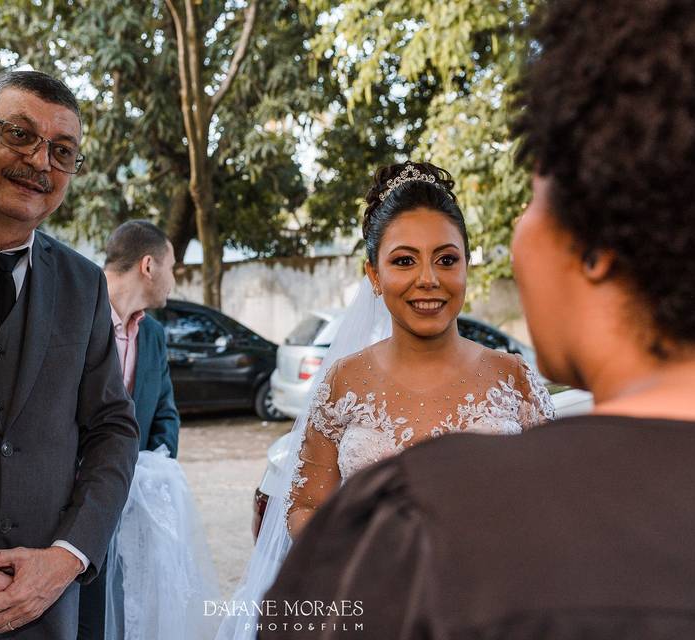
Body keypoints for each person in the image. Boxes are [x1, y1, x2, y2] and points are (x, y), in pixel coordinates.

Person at [261, 0, 695, 637]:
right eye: (405, 261)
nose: (429, 279)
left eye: (532, 197)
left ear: (594, 246)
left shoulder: (410, 526)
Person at [217, 161, 554, 639]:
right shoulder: (343, 383)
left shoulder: (514, 377)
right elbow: (305, 507)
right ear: (373, 274)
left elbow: (551, 508)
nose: (428, 280)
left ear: (466, 265)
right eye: (403, 261)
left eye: (445, 259)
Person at [0, 70, 139, 639]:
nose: (41, 162)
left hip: (45, 613)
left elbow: (113, 428)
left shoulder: (83, 283)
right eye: (20, 135)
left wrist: (68, 556)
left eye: (63, 151)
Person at [77, 219, 181, 639]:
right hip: (69, 510)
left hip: (133, 510)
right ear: (149, 266)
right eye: (173, 267)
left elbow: (166, 415)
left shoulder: (153, 334)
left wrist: (153, 470)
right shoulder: (76, 309)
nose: (175, 279)